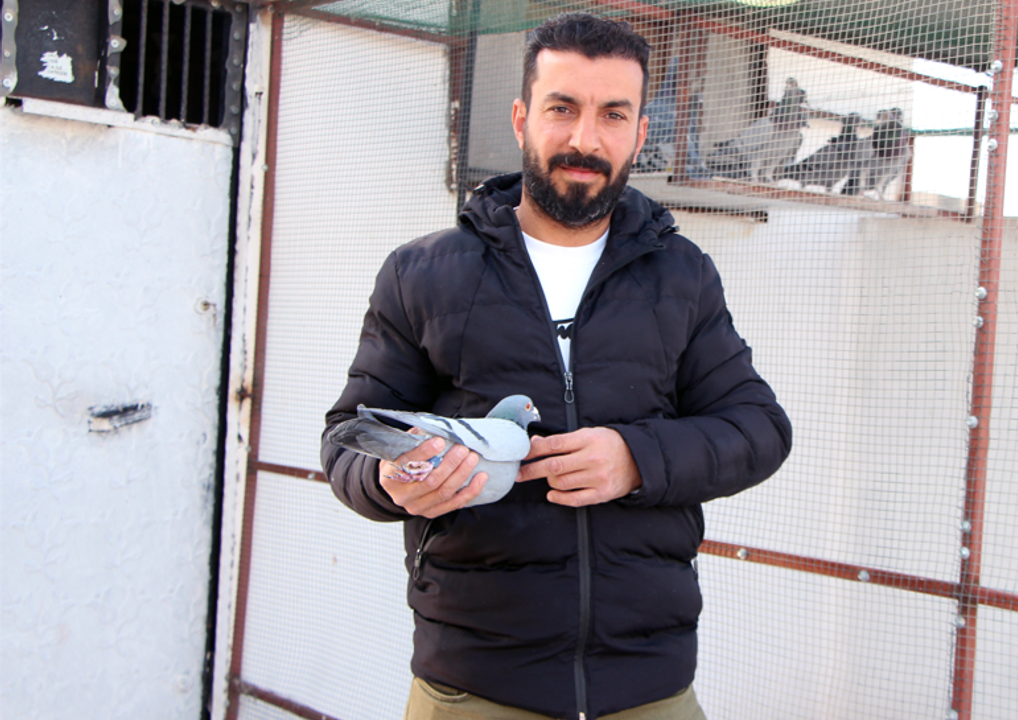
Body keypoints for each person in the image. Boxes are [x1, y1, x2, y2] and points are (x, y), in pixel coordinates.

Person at [322, 12, 792, 720]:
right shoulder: (424, 274)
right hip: (473, 686)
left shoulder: (682, 274)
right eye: (562, 108)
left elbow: (759, 429)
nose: (585, 139)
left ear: (640, 133)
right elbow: (345, 442)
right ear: (522, 119)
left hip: (648, 687)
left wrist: (636, 458)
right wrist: (391, 480)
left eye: (613, 115)